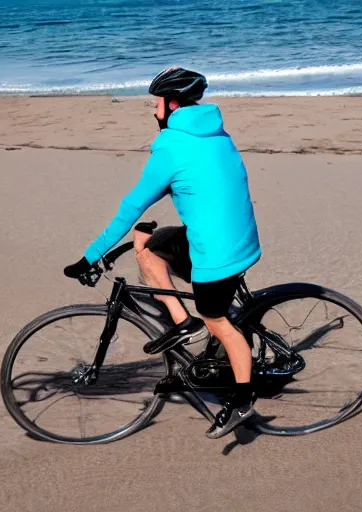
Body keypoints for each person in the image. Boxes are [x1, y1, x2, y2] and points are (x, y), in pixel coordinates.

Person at [64, 67, 262, 438]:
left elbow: (130, 206)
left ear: (172, 105)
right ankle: (183, 324)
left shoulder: (171, 145)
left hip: (219, 252)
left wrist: (90, 256)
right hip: (240, 236)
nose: (154, 113)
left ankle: (241, 400)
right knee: (150, 249)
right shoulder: (215, 132)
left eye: (156, 105)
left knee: (217, 320)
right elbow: (200, 187)